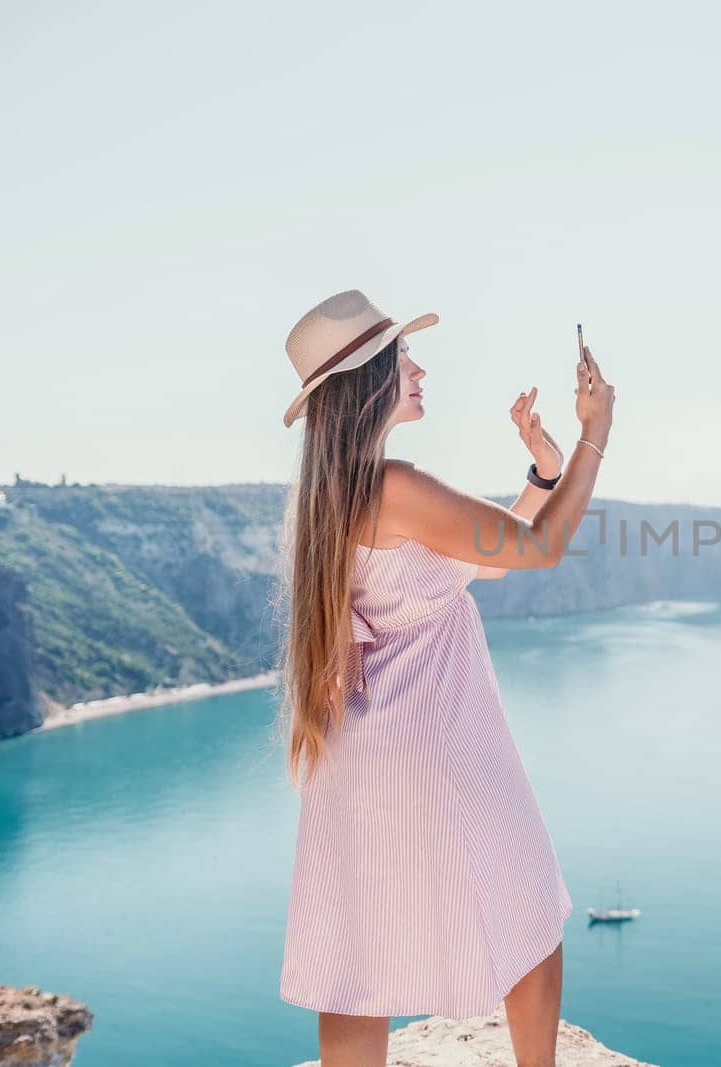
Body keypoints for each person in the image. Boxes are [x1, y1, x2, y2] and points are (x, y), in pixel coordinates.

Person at [270, 289, 615, 1067]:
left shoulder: (331, 497)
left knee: (356, 964)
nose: (419, 367)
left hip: (355, 754)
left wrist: (542, 468)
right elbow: (536, 549)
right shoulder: (396, 487)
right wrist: (597, 436)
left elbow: (474, 560)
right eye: (402, 358)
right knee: (529, 909)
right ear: (368, 383)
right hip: (440, 746)